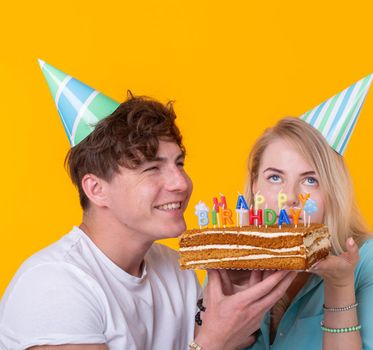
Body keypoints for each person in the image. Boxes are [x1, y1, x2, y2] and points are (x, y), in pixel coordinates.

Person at [0, 60, 296, 350]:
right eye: (152, 168)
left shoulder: (174, 270)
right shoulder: (55, 285)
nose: (181, 182)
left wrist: (239, 294)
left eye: (179, 163)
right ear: (96, 189)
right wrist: (210, 344)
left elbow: (226, 340)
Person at [236, 75, 373, 349]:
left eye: (310, 180)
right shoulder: (237, 263)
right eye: (274, 178)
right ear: (255, 185)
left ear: (332, 191)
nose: (290, 198)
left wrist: (340, 286)